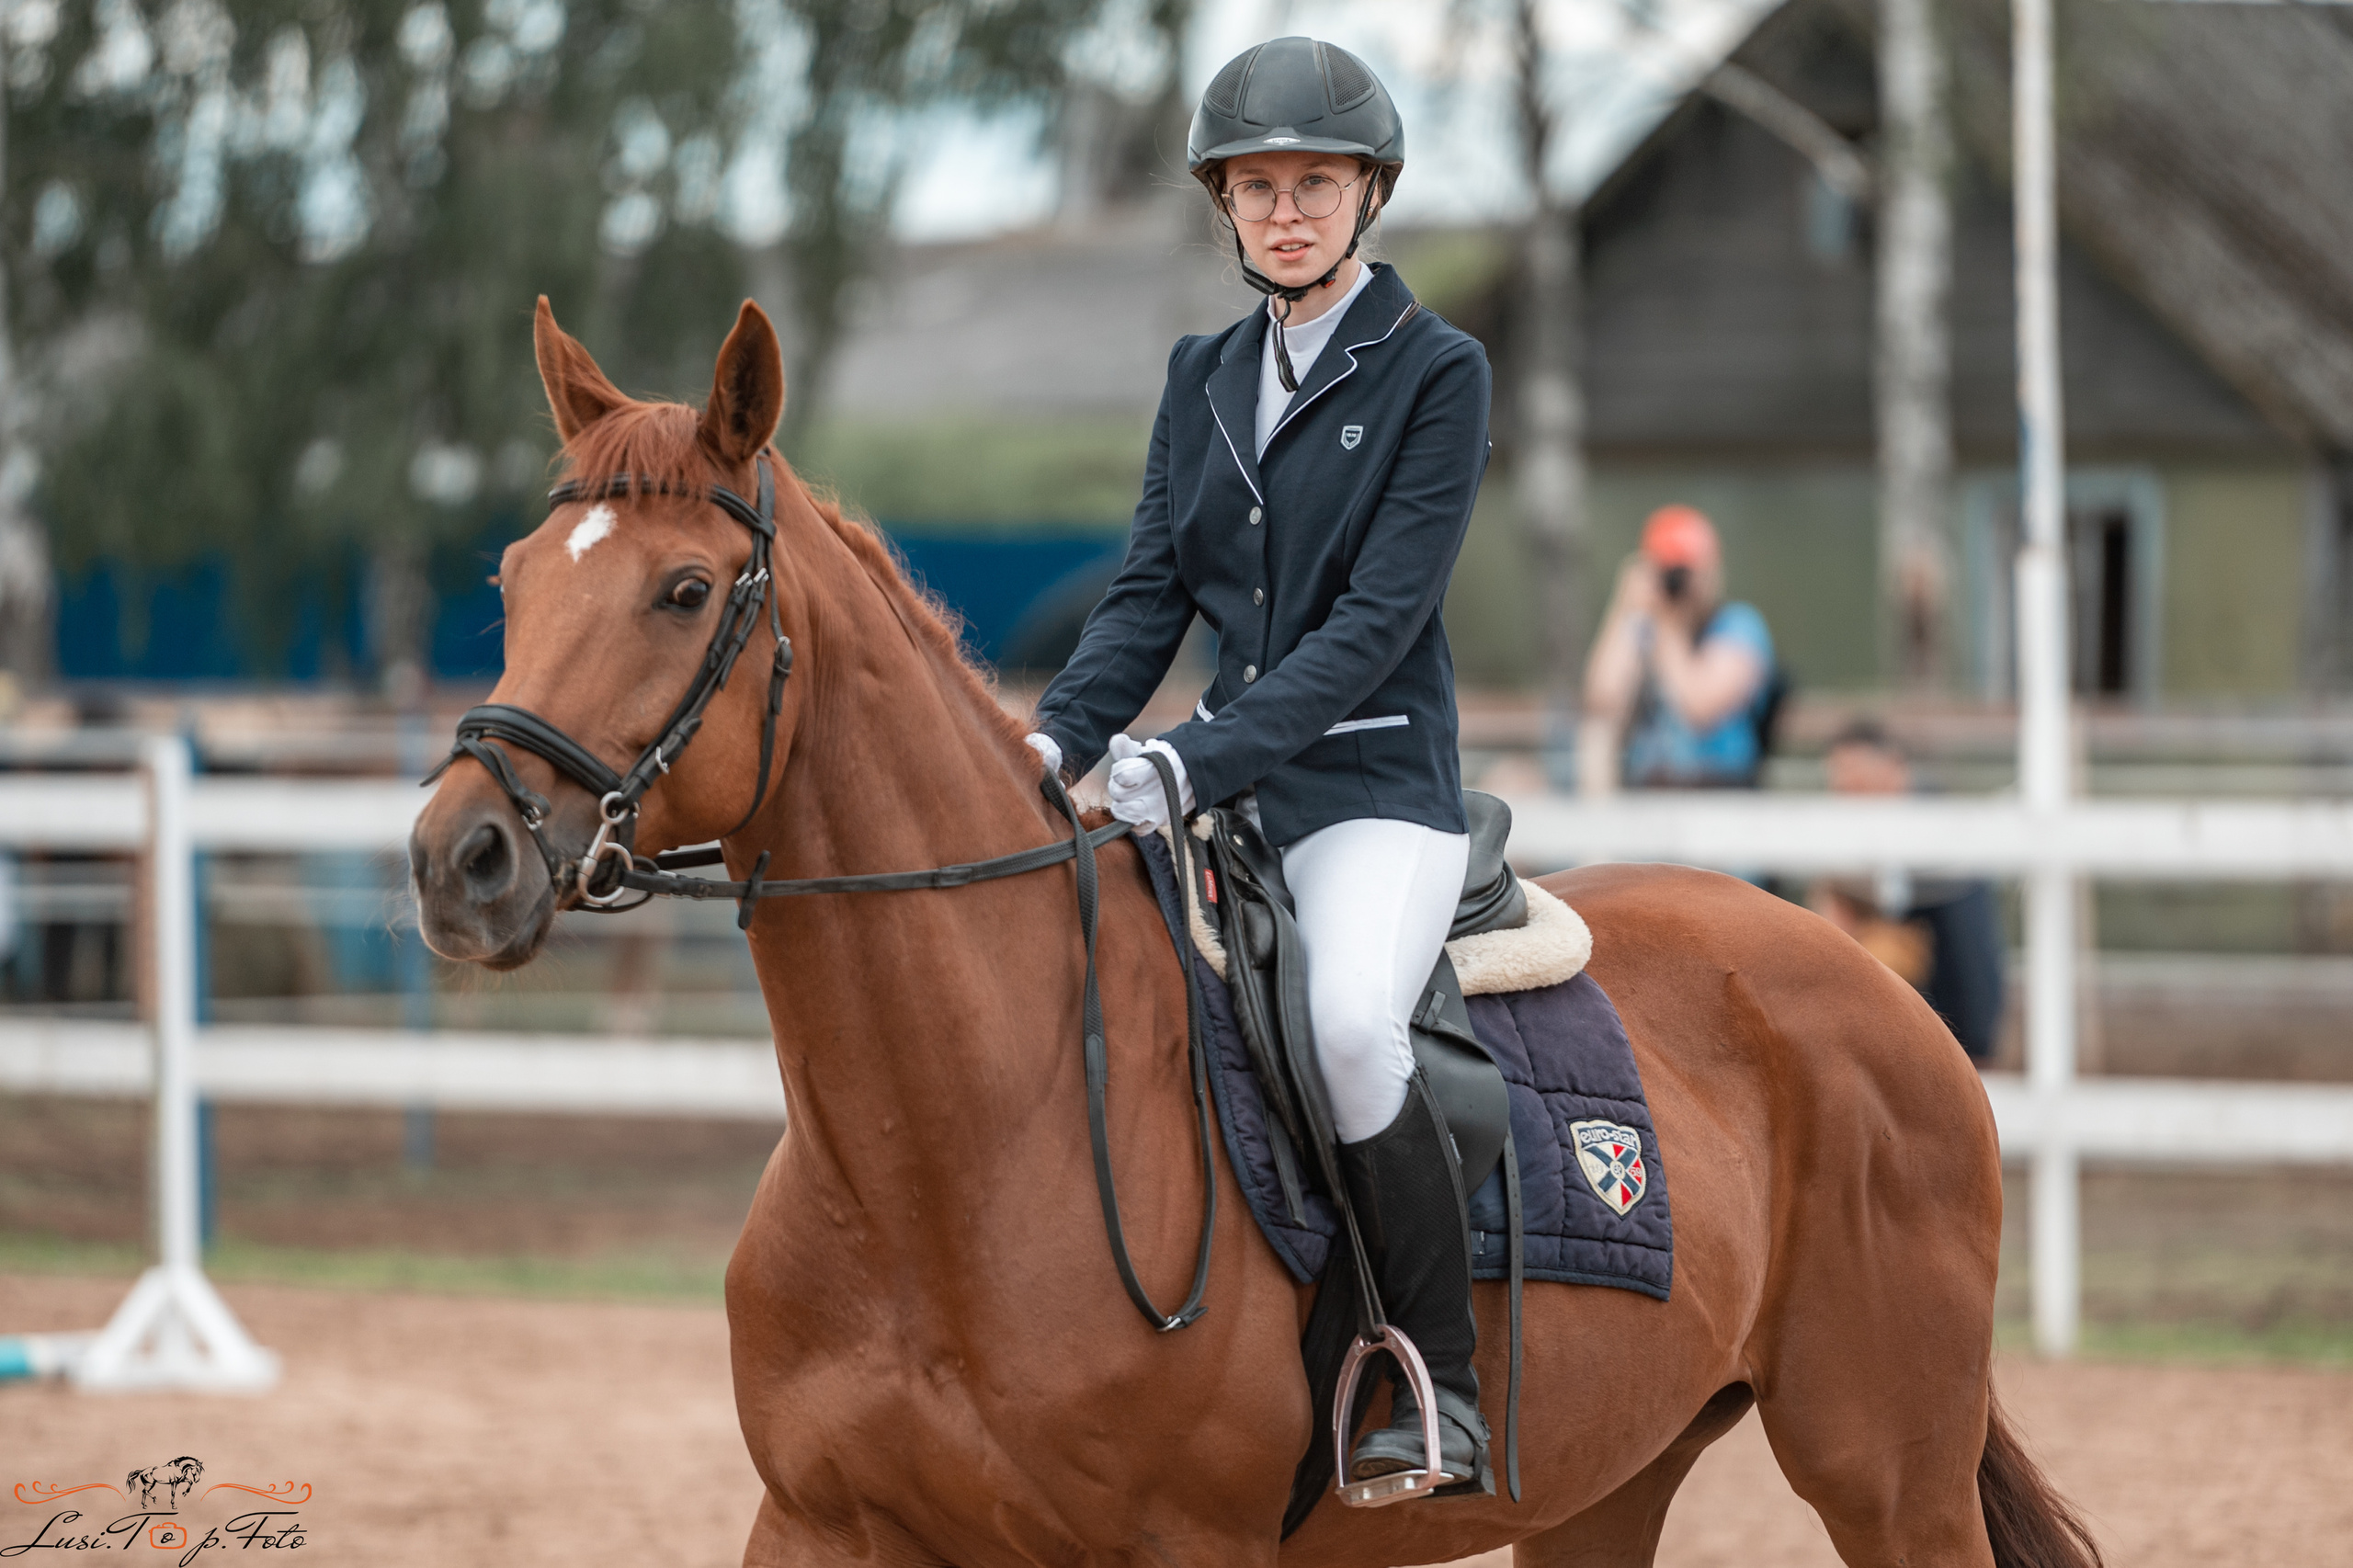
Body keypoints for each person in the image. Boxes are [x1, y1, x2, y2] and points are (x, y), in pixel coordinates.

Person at [1020, 36, 1495, 1493]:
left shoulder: (1438, 371)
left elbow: (1371, 629)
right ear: (1224, 206)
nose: (1286, 210)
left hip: (1371, 792)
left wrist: (1195, 755)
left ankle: (1437, 1381)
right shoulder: (1204, 375)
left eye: (1315, 183)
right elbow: (1150, 595)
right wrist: (1053, 739)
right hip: (1222, 796)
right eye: (1258, 187)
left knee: (1353, 1025)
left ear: (1369, 195)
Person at [1810, 719, 2006, 1062]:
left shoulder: (1931, 821)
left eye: (1852, 777)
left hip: (1954, 1016)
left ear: (1890, 768)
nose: (1842, 790)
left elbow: (1893, 901)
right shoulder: (1897, 818)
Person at [1579, 505, 1779, 793]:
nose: (1680, 586)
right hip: (1650, 787)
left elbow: (1700, 708)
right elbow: (1600, 703)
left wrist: (1669, 626)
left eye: (1687, 572)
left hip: (1723, 790)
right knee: (1594, 737)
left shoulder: (1740, 626)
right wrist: (1623, 608)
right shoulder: (1644, 629)